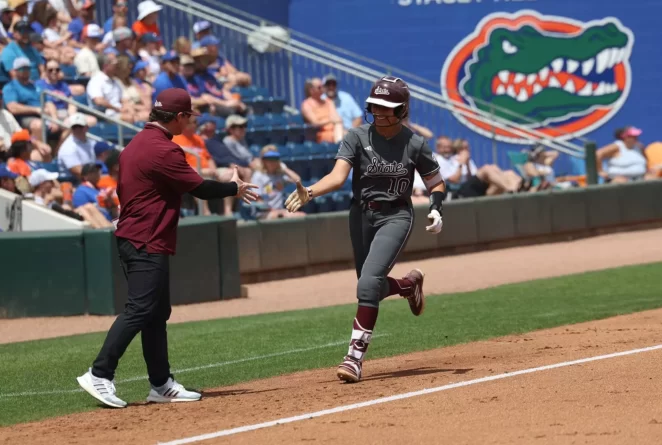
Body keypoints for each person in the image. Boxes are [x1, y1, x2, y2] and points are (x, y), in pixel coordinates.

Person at [76, 88, 258, 409]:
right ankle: (99, 373)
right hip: (146, 238)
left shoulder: (135, 143)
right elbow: (200, 188)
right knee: (141, 309)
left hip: (136, 236)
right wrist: (234, 187)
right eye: (189, 117)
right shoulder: (163, 149)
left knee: (156, 313)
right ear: (178, 117)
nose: (190, 123)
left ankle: (161, 384)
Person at [284, 76, 445, 383]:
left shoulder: (414, 143)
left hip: (396, 215)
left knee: (368, 285)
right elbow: (337, 176)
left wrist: (437, 207)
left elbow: (435, 181)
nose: (380, 113)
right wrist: (312, 192)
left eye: (388, 108)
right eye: (376, 106)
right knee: (369, 285)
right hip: (360, 216)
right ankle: (409, 287)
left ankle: (354, 358)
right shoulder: (357, 136)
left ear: (402, 110)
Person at [251, 148, 303, 219]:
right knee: (285, 216)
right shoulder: (258, 176)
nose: (272, 162)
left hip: (279, 211)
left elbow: (297, 180)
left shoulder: (279, 175)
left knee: (302, 215)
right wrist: (273, 211)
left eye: (275, 159)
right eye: (269, 159)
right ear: (264, 161)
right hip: (263, 213)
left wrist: (284, 169)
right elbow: (258, 200)